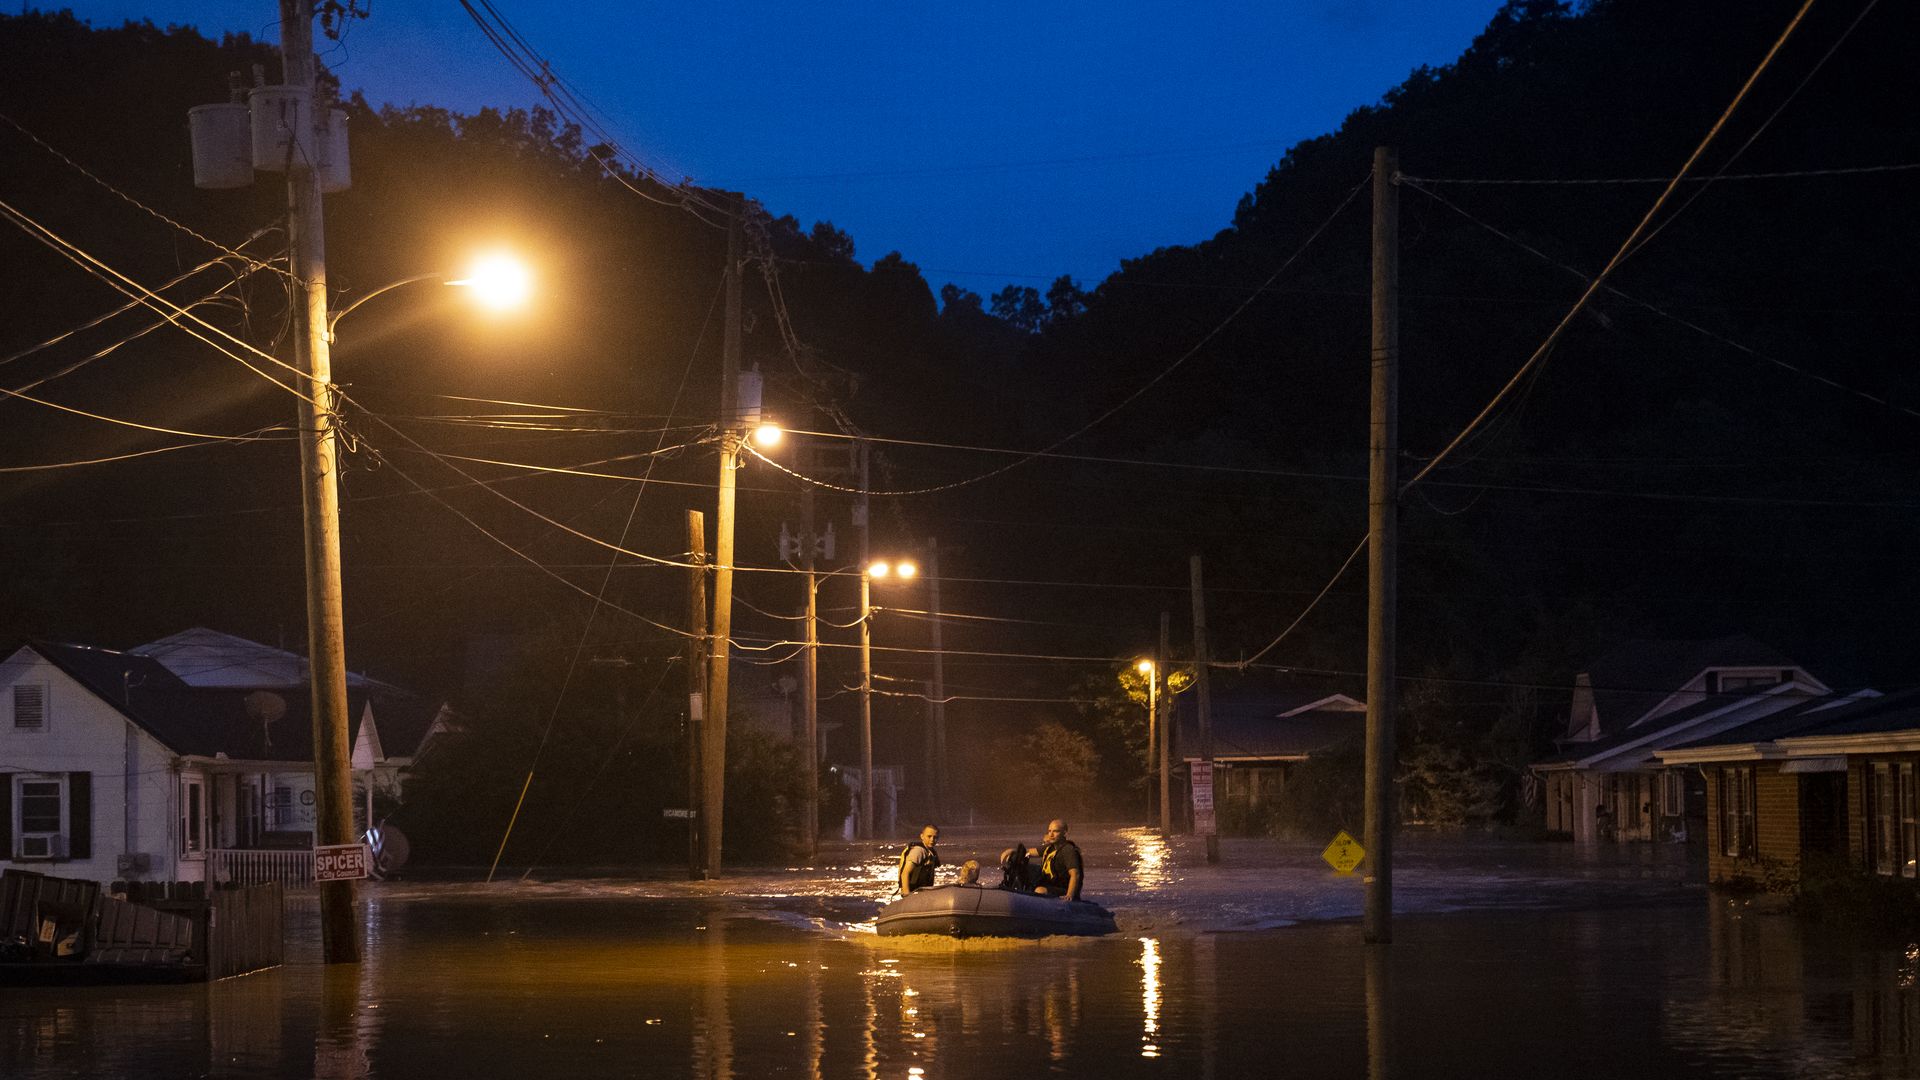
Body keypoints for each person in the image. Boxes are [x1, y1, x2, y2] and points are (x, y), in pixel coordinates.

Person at [1004, 819, 1084, 901]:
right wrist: (1011, 851)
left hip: (1064, 890)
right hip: (1051, 885)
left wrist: (1069, 894)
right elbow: (1028, 852)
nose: (1051, 834)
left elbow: (1075, 874)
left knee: (1040, 890)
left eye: (1056, 831)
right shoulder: (1050, 848)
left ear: (1064, 833)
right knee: (1024, 867)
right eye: (1049, 831)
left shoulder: (1068, 850)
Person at [897, 824, 942, 895]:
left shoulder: (931, 852)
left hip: (922, 893)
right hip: (914, 892)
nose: (932, 839)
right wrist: (907, 894)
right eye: (929, 836)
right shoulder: (918, 851)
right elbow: (905, 873)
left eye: (935, 837)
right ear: (922, 836)